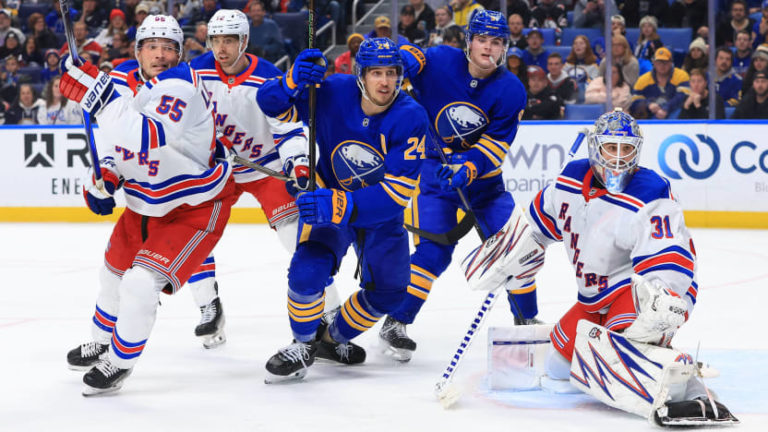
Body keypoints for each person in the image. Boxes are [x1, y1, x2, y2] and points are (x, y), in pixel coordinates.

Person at [468, 108, 737, 426]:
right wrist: (510, 256)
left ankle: (698, 395)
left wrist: (661, 300)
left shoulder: (651, 192)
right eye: (612, 147)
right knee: (557, 367)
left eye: (627, 149)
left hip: (646, 292)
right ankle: (630, 356)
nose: (619, 158)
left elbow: (670, 257)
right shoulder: (568, 180)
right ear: (595, 148)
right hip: (595, 299)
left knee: (621, 349)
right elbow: (535, 226)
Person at [62, 14, 237, 396]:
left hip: (191, 208)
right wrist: (108, 172)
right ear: (137, 50)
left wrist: (95, 93)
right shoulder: (124, 80)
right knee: (111, 277)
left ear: (180, 53)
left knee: (140, 284)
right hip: (145, 202)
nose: (160, 54)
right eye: (151, 46)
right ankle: (100, 339)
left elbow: (145, 135)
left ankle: (120, 362)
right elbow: (112, 136)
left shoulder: (181, 85)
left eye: (168, 47)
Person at [256, 38, 429, 381]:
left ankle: (331, 338)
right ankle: (303, 343)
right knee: (306, 272)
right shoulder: (333, 90)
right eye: (376, 73)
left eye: (392, 73)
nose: (385, 81)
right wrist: (292, 80)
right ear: (359, 74)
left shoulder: (411, 116)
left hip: (378, 213)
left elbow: (396, 194)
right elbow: (271, 105)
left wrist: (340, 204)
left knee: (390, 293)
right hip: (332, 198)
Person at [379, 10, 530, 361]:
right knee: (433, 253)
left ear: (505, 47)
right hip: (434, 176)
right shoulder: (440, 60)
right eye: (482, 40)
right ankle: (396, 322)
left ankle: (527, 322)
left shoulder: (511, 90)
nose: (488, 48)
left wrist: (468, 167)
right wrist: (403, 52)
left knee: (515, 249)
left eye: (497, 42)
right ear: (468, 41)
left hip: (486, 185)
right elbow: (401, 55)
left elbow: (494, 147)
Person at [187, 9, 340, 349]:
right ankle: (208, 306)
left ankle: (331, 315)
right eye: (216, 40)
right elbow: (177, 118)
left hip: (266, 167)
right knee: (193, 234)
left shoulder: (267, 77)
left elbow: (286, 126)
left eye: (229, 40)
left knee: (298, 239)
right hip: (218, 169)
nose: (221, 48)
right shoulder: (193, 74)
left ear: (244, 40)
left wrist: (299, 162)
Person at [630, 47, 690, 119]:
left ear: (671, 63)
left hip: (675, 112)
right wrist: (648, 104)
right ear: (654, 63)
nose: (662, 65)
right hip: (651, 114)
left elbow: (682, 97)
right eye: (659, 62)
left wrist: (666, 108)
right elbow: (634, 100)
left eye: (665, 62)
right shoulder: (643, 79)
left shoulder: (682, 75)